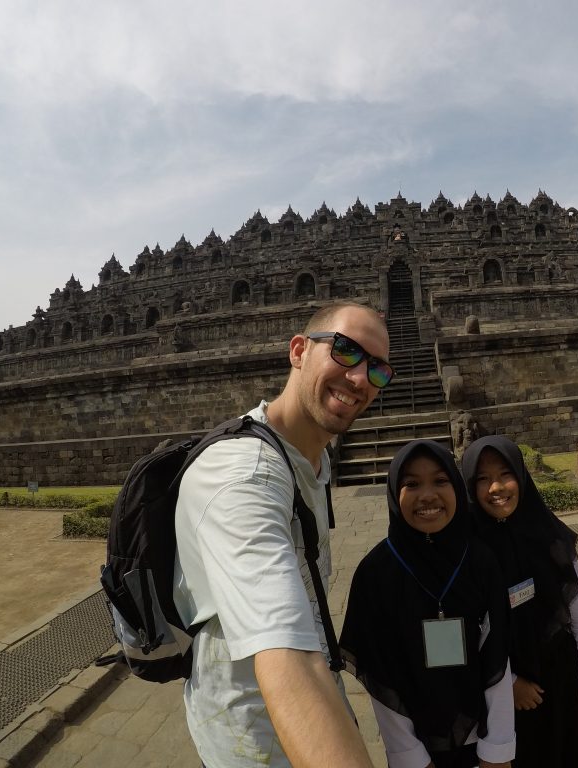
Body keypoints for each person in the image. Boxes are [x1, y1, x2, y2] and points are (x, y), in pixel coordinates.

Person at [173, 301, 392, 768]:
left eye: (378, 370)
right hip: (252, 739)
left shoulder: (312, 457)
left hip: (310, 709)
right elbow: (287, 656)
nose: (360, 379)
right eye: (347, 351)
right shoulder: (245, 476)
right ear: (298, 350)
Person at [340, 440, 515, 768]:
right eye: (411, 484)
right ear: (394, 492)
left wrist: (497, 749)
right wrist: (413, 757)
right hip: (413, 739)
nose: (427, 496)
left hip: (479, 734)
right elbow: (381, 674)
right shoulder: (376, 574)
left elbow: (497, 655)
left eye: (440, 481)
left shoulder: (479, 560)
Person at [461, 436, 578, 768]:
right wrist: (508, 683)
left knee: (562, 752)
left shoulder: (551, 536)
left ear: (522, 477)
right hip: (501, 684)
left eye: (505, 474)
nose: (496, 487)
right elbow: (467, 632)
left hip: (559, 672)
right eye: (482, 478)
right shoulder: (469, 552)